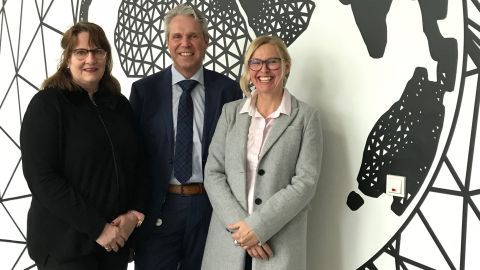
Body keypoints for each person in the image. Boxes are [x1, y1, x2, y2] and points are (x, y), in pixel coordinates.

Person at [20, 22, 145, 270]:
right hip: (66, 248)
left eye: (98, 51)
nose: (91, 59)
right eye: (81, 52)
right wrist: (98, 229)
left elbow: (139, 165)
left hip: (114, 246)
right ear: (67, 59)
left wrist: (134, 215)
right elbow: (42, 179)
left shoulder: (119, 105)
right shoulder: (47, 105)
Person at [129, 3, 243, 270]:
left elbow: (238, 155)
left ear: (206, 41)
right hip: (159, 208)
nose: (185, 43)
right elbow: (131, 157)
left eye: (193, 35)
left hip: (210, 209)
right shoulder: (144, 92)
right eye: (177, 36)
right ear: (167, 42)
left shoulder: (228, 91)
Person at [201, 35, 323, 270]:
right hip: (228, 241)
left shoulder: (306, 117)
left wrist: (259, 227)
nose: (263, 70)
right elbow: (213, 172)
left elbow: (305, 183)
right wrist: (243, 231)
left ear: (286, 66)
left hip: (278, 244)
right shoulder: (230, 112)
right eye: (256, 63)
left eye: (272, 62)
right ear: (249, 68)